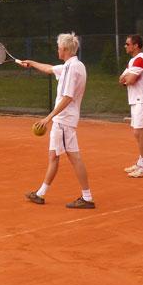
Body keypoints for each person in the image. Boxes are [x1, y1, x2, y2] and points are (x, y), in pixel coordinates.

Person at [20, 33, 95, 209]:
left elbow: (68, 97)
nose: (58, 50)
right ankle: (40, 194)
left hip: (63, 120)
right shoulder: (75, 65)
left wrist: (48, 117)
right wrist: (31, 63)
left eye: (59, 47)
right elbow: (49, 69)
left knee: (74, 157)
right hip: (65, 120)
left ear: (66, 49)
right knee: (54, 156)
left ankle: (87, 197)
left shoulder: (71, 69)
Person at [120, 34, 143, 178]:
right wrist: (126, 80)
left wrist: (127, 79)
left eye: (128, 44)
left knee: (140, 132)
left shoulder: (141, 60)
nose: (125, 46)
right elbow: (122, 79)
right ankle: (142, 162)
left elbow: (131, 80)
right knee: (139, 132)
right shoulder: (132, 61)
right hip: (136, 100)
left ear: (136, 46)